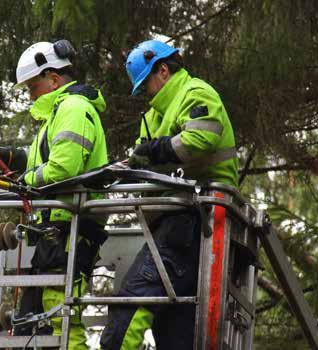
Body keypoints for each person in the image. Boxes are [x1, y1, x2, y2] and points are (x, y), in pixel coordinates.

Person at [0, 39, 108, 349]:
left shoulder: (73, 107)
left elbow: (63, 168)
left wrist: (21, 183)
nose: (30, 95)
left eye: (32, 86)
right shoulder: (59, 113)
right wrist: (1, 156)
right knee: (36, 325)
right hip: (54, 233)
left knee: (62, 322)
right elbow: (40, 157)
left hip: (68, 231)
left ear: (53, 78)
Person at [100, 39, 238, 349]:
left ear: (163, 70)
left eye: (146, 84)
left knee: (128, 310)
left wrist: (156, 149)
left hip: (195, 219)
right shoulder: (152, 117)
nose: (145, 93)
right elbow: (145, 161)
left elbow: (200, 138)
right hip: (174, 223)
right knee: (174, 332)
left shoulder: (196, 92)